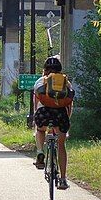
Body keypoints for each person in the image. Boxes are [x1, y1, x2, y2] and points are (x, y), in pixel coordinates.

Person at [32, 57, 74, 190]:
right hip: (60, 114)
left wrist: (37, 117)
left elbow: (36, 104)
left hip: (44, 112)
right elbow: (69, 104)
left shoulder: (41, 81)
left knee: (40, 130)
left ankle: (40, 152)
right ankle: (62, 179)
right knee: (61, 145)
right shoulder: (66, 83)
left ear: (44, 70)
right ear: (60, 70)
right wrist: (66, 121)